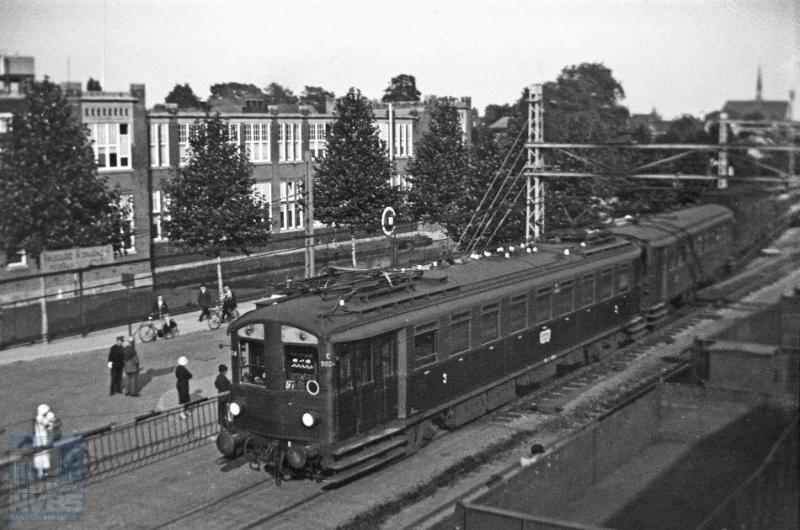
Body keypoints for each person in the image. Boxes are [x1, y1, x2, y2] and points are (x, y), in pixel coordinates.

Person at [33, 404, 61, 479]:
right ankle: (41, 473)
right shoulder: (39, 418)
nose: (46, 413)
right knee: (41, 455)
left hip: (45, 437)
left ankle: (45, 473)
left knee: (45, 455)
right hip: (40, 438)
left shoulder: (48, 415)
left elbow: (53, 422)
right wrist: (53, 424)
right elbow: (48, 426)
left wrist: (54, 422)